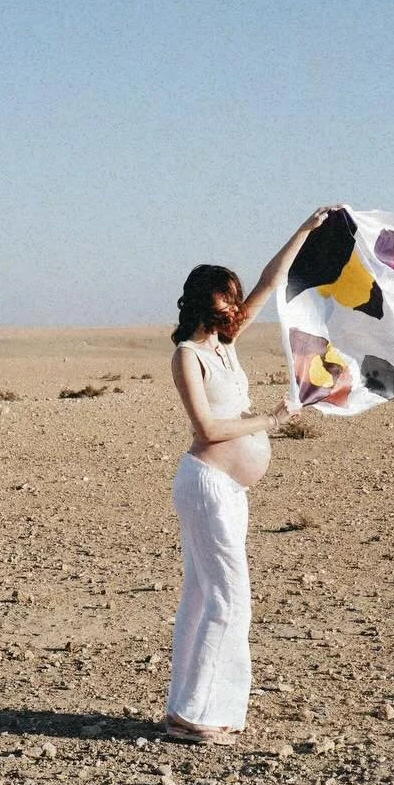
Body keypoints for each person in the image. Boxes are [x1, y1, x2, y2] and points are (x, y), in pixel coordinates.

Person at [164, 208, 335, 744]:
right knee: (227, 597)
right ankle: (197, 716)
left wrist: (305, 231)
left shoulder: (228, 344)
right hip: (205, 485)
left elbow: (271, 281)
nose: (234, 306)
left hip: (230, 491)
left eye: (235, 298)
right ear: (201, 301)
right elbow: (210, 428)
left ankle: (187, 709)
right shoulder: (187, 355)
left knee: (202, 594)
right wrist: (274, 420)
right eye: (225, 298)